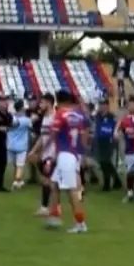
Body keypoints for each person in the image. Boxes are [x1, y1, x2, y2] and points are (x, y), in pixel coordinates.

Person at [46, 90, 91, 233]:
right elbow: (83, 137)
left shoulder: (60, 114)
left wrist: (43, 151)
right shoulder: (78, 115)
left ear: (58, 101)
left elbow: (53, 134)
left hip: (65, 155)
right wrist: (82, 154)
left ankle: (80, 223)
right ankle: (54, 216)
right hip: (73, 154)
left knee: (71, 191)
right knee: (54, 184)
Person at [30, 93, 57, 215]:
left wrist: (44, 151)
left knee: (47, 180)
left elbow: (54, 137)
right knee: (47, 180)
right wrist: (33, 150)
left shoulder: (55, 117)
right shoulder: (45, 117)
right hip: (45, 154)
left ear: (49, 103)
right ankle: (49, 207)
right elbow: (43, 137)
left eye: (42, 102)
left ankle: (46, 208)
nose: (40, 105)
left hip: (52, 154)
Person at [92, 98, 120, 192]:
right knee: (104, 162)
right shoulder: (97, 116)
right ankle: (117, 180)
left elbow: (115, 127)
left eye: (103, 105)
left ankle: (107, 184)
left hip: (109, 141)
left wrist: (114, 136)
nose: (101, 107)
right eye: (100, 105)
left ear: (107, 106)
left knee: (105, 161)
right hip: (99, 141)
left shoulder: (111, 116)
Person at [7, 101, 34, 190]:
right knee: (20, 165)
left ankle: (19, 180)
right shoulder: (27, 120)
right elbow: (31, 128)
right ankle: (16, 181)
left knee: (15, 164)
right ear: (22, 108)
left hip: (11, 144)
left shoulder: (11, 118)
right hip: (22, 146)